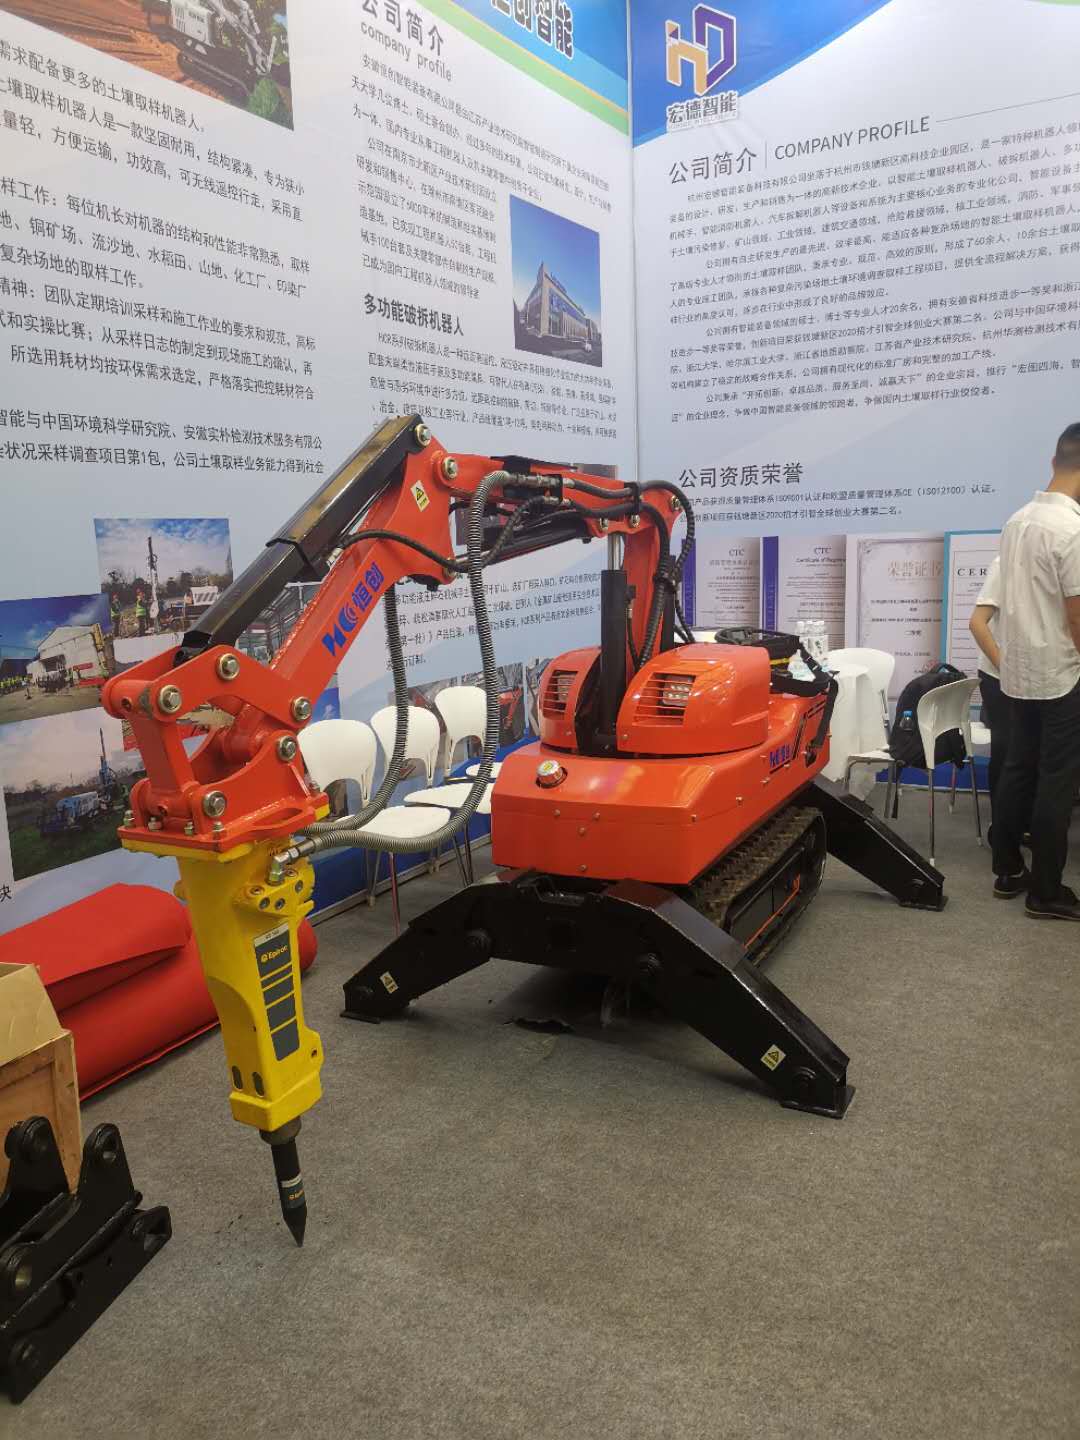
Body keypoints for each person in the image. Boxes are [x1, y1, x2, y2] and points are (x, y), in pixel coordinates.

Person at [991, 422, 1080, 920]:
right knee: (1056, 782)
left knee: (1018, 769)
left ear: (1054, 461)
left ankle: (1007, 869)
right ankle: (1046, 891)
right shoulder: (1072, 530)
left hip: (1019, 671)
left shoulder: (1016, 521)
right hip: (1062, 672)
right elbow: (1077, 615)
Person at [968, 556, 1031, 839]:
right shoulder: (1004, 562)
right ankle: (1003, 829)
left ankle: (1025, 823)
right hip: (999, 676)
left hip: (1037, 679)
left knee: (1034, 752)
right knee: (1007, 751)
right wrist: (1006, 669)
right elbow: (977, 623)